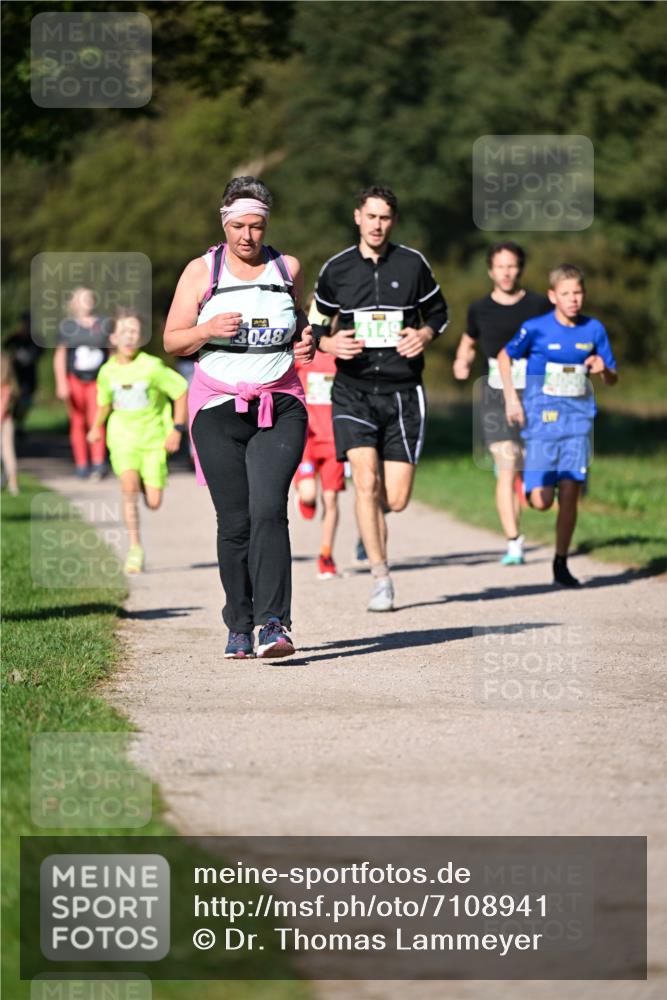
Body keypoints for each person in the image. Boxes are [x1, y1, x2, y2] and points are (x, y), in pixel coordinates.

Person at [163, 176, 315, 660]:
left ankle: (275, 624)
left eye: (257, 226)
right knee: (235, 522)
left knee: (270, 508)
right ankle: (238, 624)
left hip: (280, 403)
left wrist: (306, 340)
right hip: (216, 407)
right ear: (224, 223)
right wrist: (206, 328)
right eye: (239, 227)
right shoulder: (201, 272)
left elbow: (299, 324)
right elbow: (171, 341)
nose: (248, 236)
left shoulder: (286, 267)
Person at [313, 185, 448, 611]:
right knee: (365, 483)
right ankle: (380, 578)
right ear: (358, 217)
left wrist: (424, 334)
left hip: (403, 393)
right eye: (371, 216)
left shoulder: (412, 265)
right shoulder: (336, 269)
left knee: (397, 498)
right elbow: (314, 325)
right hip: (352, 391)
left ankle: (369, 518)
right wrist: (330, 344)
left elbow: (440, 314)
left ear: (393, 220)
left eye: (385, 217)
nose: (377, 224)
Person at [498, 263, 617, 587]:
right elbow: (505, 356)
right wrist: (511, 398)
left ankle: (561, 562)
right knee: (542, 501)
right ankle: (530, 485)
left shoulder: (594, 330)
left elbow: (612, 377)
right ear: (553, 296)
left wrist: (602, 368)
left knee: (570, 491)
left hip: (578, 423)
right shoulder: (535, 328)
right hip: (540, 422)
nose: (573, 299)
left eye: (578, 292)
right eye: (566, 293)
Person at [453, 242, 551, 565]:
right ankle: (514, 542)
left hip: (535, 394)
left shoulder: (538, 305)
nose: (507, 272)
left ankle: (530, 484)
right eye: (500, 267)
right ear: (490, 271)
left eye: (512, 266)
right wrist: (462, 361)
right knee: (506, 468)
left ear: (519, 269)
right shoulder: (479, 309)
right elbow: (469, 341)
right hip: (495, 394)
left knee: (541, 497)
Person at [87, 310, 188, 575]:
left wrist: (176, 429)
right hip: (122, 439)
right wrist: (96, 428)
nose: (128, 337)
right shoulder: (106, 372)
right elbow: (105, 403)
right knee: (128, 489)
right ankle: (135, 548)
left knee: (153, 502)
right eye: (123, 332)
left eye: (133, 332)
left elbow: (180, 391)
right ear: (113, 337)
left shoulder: (152, 367)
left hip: (153, 440)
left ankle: (147, 480)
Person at [293, 298, 345, 580]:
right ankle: (303, 492)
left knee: (332, 499)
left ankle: (326, 555)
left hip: (335, 438)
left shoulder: (342, 357)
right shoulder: (302, 355)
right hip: (306, 437)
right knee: (311, 494)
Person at [54, 287, 110, 479]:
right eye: (81, 298)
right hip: (75, 380)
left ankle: (98, 462)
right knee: (77, 422)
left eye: (89, 297)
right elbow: (60, 354)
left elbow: (111, 351)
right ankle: (81, 464)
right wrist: (61, 382)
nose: (86, 301)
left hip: (97, 380)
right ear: (74, 303)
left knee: (96, 420)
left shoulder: (103, 323)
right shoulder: (67, 326)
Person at [4, 312, 43, 434]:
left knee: (26, 401)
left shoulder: (36, 339)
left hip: (30, 374)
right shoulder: (15, 338)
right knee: (15, 400)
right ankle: (13, 423)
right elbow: (5, 348)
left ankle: (19, 423)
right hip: (16, 375)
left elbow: (41, 352)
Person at [1, 353, 19, 495]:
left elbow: (3, 406)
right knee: (8, 451)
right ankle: (11, 482)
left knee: (7, 452)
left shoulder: (5, 387)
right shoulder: (8, 384)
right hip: (6, 421)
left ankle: (12, 482)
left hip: (4, 421)